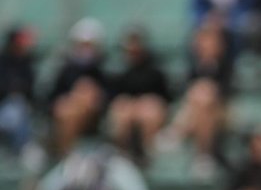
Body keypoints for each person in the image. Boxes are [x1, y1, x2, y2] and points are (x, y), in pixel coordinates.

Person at [166, 21, 234, 177]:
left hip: (224, 111)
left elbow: (224, 93)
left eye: (209, 41)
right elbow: (186, 94)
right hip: (197, 110)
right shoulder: (194, 66)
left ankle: (177, 132)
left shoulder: (226, 65)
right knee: (200, 101)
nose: (205, 45)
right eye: (202, 41)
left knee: (203, 94)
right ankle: (203, 156)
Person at [107, 28, 173, 166]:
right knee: (121, 111)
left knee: (149, 112)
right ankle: (121, 155)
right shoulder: (120, 71)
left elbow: (165, 98)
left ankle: (148, 155)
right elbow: (114, 98)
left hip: (152, 111)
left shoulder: (155, 70)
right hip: (129, 110)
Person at [47, 19, 111, 157]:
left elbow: (108, 99)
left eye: (89, 45)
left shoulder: (103, 70)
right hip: (69, 113)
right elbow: (52, 100)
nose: (85, 49)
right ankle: (65, 154)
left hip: (95, 119)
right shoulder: (66, 71)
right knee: (67, 110)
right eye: (82, 45)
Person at [0, 25, 42, 165]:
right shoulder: (3, 61)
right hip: (4, 107)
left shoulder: (27, 62)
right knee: (15, 108)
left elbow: (30, 91)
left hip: (21, 109)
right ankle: (20, 149)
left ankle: (20, 150)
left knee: (19, 108)